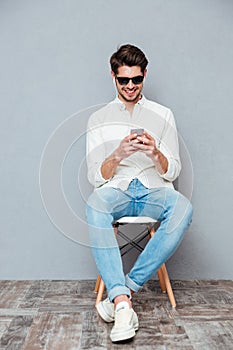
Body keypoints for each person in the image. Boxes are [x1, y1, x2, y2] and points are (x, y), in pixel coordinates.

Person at [86, 44, 193, 342]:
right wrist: (118, 153)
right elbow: (95, 176)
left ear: (145, 74)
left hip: (153, 190)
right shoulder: (98, 118)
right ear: (113, 77)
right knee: (95, 205)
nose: (130, 86)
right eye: (124, 81)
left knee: (183, 208)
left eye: (136, 79)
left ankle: (122, 296)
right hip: (117, 190)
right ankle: (122, 303)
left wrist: (156, 153)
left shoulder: (163, 114)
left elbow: (173, 171)